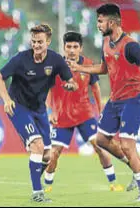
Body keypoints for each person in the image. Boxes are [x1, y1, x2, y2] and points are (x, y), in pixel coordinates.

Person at [71, 4, 140, 202]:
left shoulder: (131, 46)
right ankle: (138, 168)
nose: (98, 25)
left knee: (127, 145)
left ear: (113, 22)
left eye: (100, 21)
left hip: (133, 99)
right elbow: (103, 68)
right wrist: (79, 67)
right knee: (101, 140)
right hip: (115, 99)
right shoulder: (106, 42)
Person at [0, 23, 78, 203]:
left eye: (40, 42)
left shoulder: (56, 60)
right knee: (37, 146)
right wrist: (6, 99)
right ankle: (37, 192)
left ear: (48, 42)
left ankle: (34, 177)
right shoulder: (21, 59)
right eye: (33, 41)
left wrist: (70, 85)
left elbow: (71, 81)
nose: (36, 45)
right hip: (18, 107)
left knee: (47, 156)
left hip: (39, 110)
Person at [44, 31, 124, 193]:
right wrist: (50, 111)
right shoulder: (56, 66)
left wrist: (101, 109)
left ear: (80, 48)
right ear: (64, 48)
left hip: (84, 115)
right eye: (69, 46)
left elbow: (95, 87)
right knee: (54, 154)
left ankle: (113, 182)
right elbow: (48, 90)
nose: (72, 50)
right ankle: (47, 186)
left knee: (100, 147)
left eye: (75, 46)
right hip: (62, 116)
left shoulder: (87, 65)